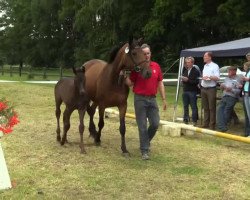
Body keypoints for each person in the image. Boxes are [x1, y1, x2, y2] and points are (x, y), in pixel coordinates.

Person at [125, 43, 167, 160]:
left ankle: (145, 142)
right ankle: (144, 151)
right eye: (144, 54)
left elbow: (160, 83)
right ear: (141, 55)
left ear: (150, 54)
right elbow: (130, 83)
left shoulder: (156, 66)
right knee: (142, 126)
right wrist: (123, 76)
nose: (146, 55)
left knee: (155, 123)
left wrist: (164, 99)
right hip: (140, 99)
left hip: (152, 99)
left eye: (148, 53)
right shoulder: (137, 68)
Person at [216, 66, 243, 132]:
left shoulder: (239, 79)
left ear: (234, 71)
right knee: (219, 109)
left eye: (229, 71)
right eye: (228, 71)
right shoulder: (226, 78)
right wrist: (222, 86)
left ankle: (223, 127)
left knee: (227, 110)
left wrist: (231, 89)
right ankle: (221, 126)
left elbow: (239, 91)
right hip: (224, 96)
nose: (228, 72)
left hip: (232, 97)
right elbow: (222, 88)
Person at [200, 52, 220, 130]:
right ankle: (206, 123)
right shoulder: (205, 66)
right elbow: (203, 76)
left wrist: (210, 77)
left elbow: (217, 78)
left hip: (211, 88)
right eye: (204, 56)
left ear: (210, 57)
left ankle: (212, 125)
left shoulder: (215, 66)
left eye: (205, 56)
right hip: (203, 88)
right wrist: (203, 77)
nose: (204, 57)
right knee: (205, 107)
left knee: (212, 107)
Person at [181, 57, 200, 126]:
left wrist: (188, 80)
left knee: (193, 106)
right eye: (186, 63)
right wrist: (183, 80)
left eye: (189, 62)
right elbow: (184, 80)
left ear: (192, 63)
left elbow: (196, 81)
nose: (187, 64)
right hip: (185, 90)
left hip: (192, 91)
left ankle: (194, 120)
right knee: (185, 106)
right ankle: (186, 119)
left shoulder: (196, 71)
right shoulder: (185, 71)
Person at [242, 61, 250, 137]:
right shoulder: (247, 72)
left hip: (249, 93)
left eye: (244, 66)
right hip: (246, 93)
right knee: (248, 114)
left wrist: (247, 79)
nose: (244, 68)